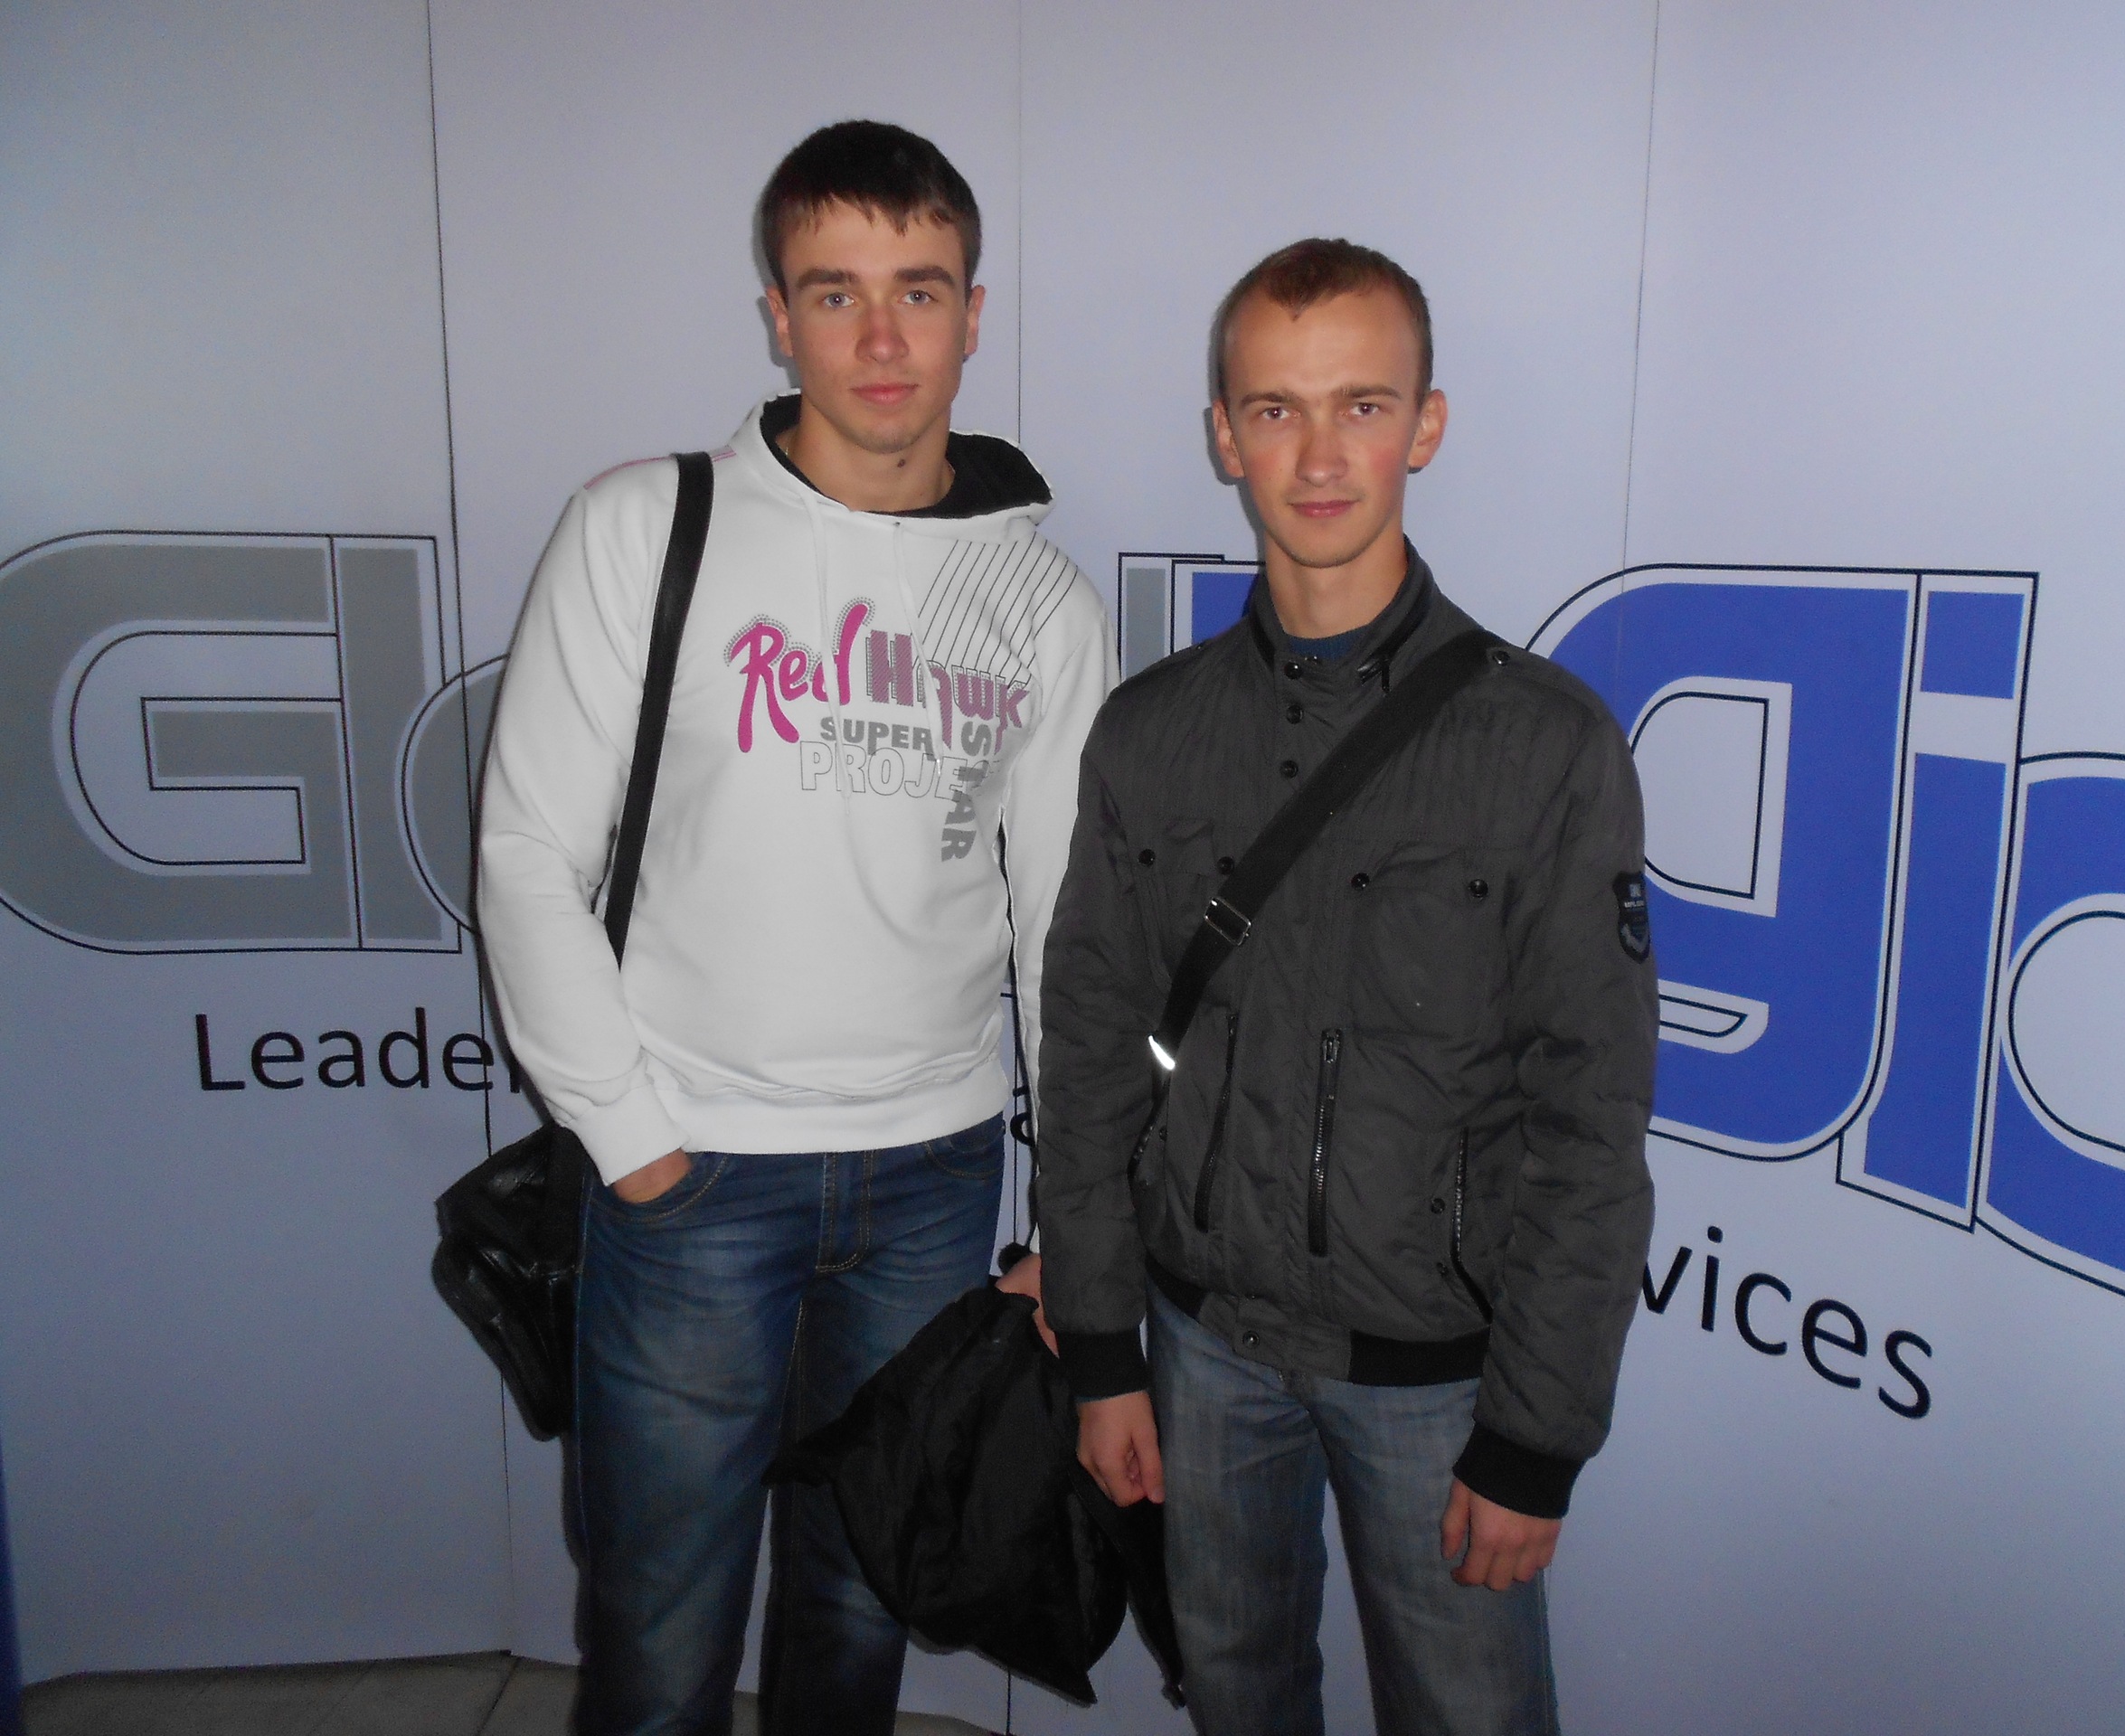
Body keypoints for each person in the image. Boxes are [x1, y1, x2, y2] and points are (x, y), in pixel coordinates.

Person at [476, 120, 1111, 1736]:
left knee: (857, 1607)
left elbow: (1067, 931)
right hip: (692, 1177)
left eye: (920, 291)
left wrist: (1070, 1217)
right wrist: (636, 1146)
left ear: (975, 312)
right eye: (836, 293)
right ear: (777, 315)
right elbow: (529, 854)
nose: (882, 339)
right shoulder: (648, 525)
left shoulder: (1040, 602)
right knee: (660, 1629)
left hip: (934, 1182)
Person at [1028, 239, 1658, 1734]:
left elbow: (1590, 1121)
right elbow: (1094, 1052)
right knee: (1238, 1697)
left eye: (1362, 406)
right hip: (1200, 1350)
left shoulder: (1547, 745)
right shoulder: (1149, 733)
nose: (1319, 457)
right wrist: (1105, 1351)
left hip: (1440, 1384)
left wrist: (1536, 1438)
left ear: (1425, 426)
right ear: (1224, 435)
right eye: (1276, 409)